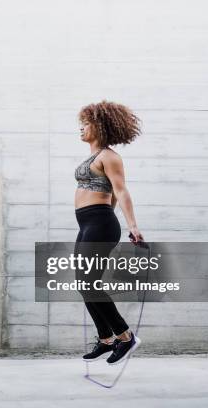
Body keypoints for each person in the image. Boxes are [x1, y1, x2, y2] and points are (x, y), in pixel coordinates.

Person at [74, 100, 144, 365]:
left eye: (86, 124)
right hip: (89, 224)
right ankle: (106, 339)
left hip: (100, 223)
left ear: (100, 126)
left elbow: (121, 191)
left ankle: (125, 337)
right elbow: (112, 196)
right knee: (84, 283)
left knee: (89, 282)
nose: (81, 129)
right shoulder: (93, 158)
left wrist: (132, 226)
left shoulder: (109, 156)